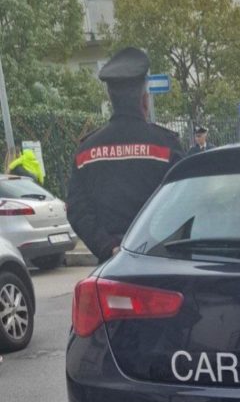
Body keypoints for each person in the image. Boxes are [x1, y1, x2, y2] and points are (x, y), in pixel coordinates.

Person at [67, 47, 183, 263]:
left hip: (113, 266)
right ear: (144, 99)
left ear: (110, 98)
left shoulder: (86, 151)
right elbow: (183, 204)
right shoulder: (167, 146)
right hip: (161, 261)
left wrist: (109, 247)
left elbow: (77, 210)